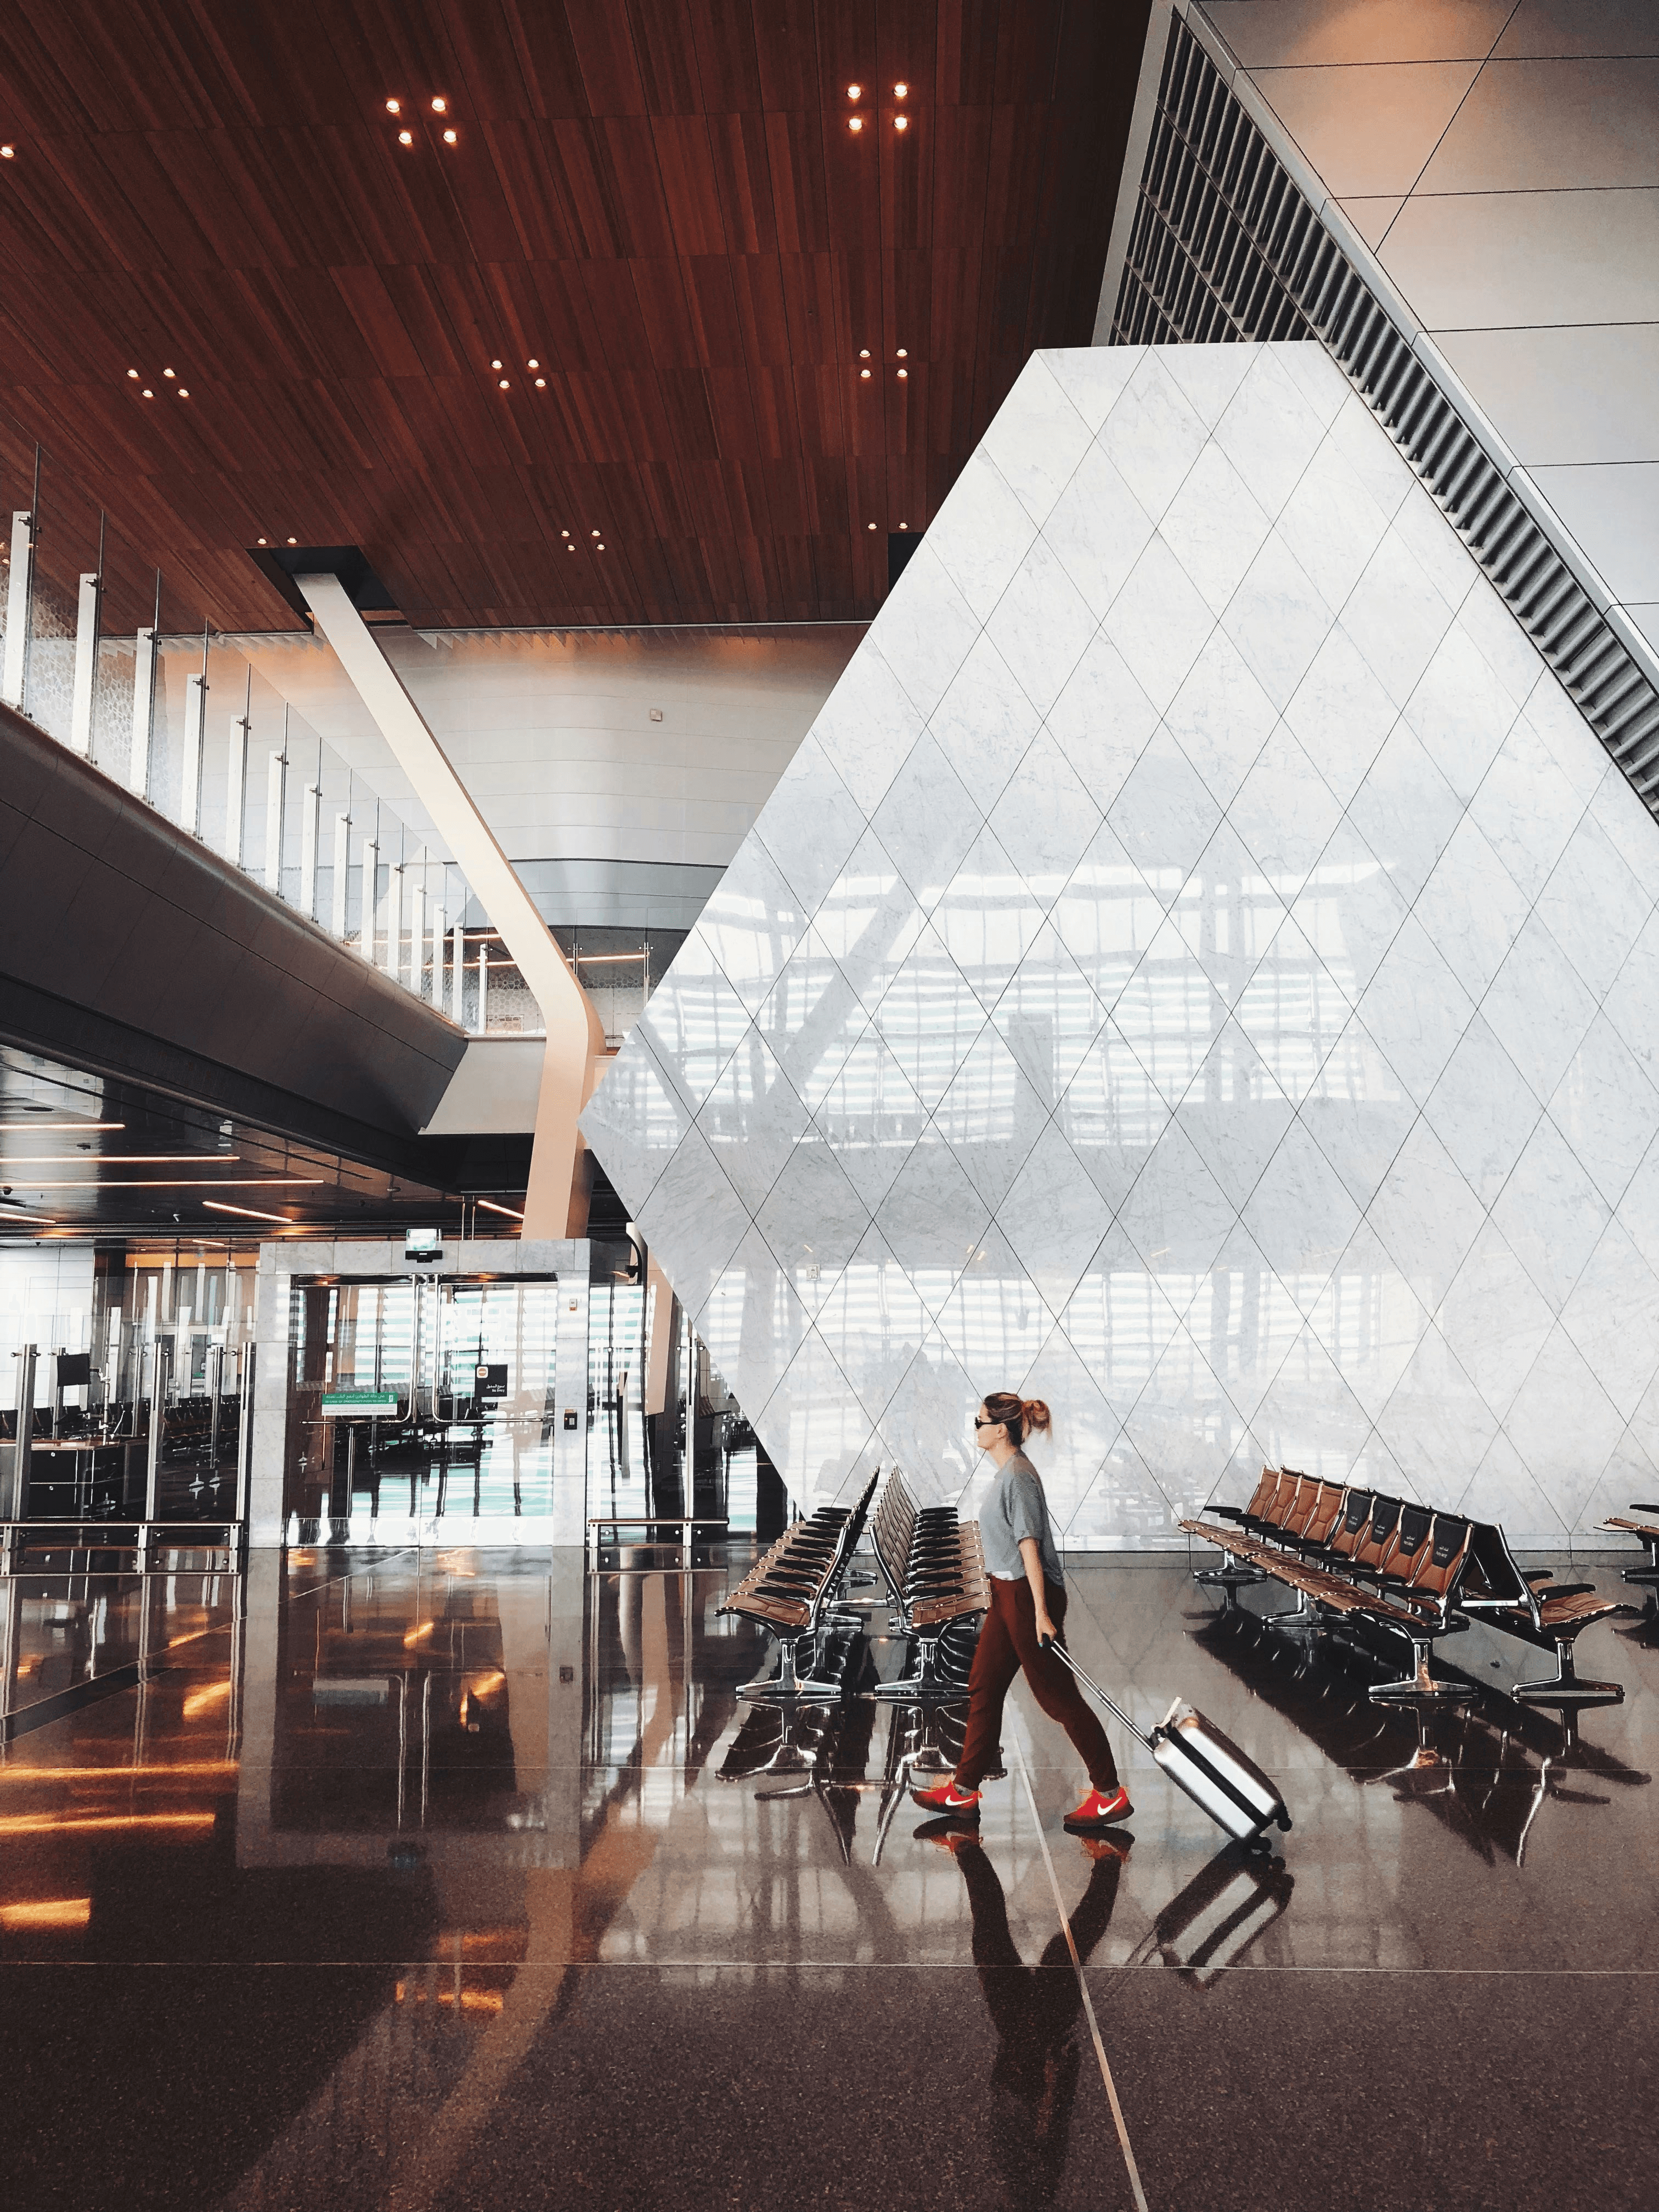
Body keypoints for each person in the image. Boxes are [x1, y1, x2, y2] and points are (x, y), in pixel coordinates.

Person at [912, 1392, 1131, 1832]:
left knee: (1057, 1698)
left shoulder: (1019, 1477)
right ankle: (964, 1790)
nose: (975, 1429)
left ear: (1000, 1430)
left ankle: (1109, 1794)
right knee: (984, 1685)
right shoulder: (1007, 1474)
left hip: (1026, 1597)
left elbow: (1029, 1544)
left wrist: (1041, 1613)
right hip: (1006, 1593)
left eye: (979, 1422)